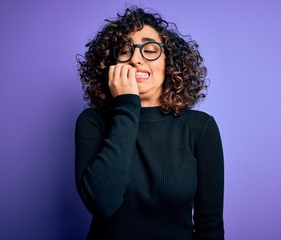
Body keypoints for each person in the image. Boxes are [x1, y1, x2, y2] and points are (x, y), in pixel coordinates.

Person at [75, 6, 225, 240]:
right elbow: (103, 203)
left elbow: (210, 225)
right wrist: (127, 104)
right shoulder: (92, 122)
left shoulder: (200, 128)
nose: (136, 59)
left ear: (169, 63)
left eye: (150, 50)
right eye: (125, 50)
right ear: (111, 65)